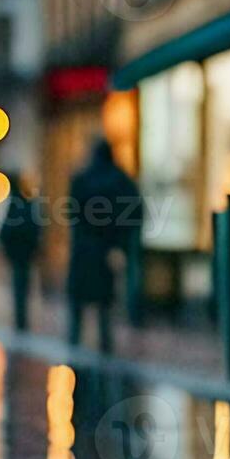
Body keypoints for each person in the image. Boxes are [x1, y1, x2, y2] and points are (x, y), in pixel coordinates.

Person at [66, 139, 141, 353]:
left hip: (84, 248)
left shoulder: (81, 179)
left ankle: (74, 343)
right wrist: (121, 242)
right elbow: (134, 214)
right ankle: (105, 345)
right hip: (107, 249)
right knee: (104, 303)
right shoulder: (121, 181)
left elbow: (73, 214)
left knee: (78, 302)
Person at [0, 173, 42, 331]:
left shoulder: (13, 207)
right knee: (24, 283)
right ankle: (22, 318)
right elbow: (35, 228)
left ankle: (20, 318)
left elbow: (4, 231)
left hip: (17, 253)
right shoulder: (28, 205)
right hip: (26, 252)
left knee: (19, 285)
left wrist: (6, 248)